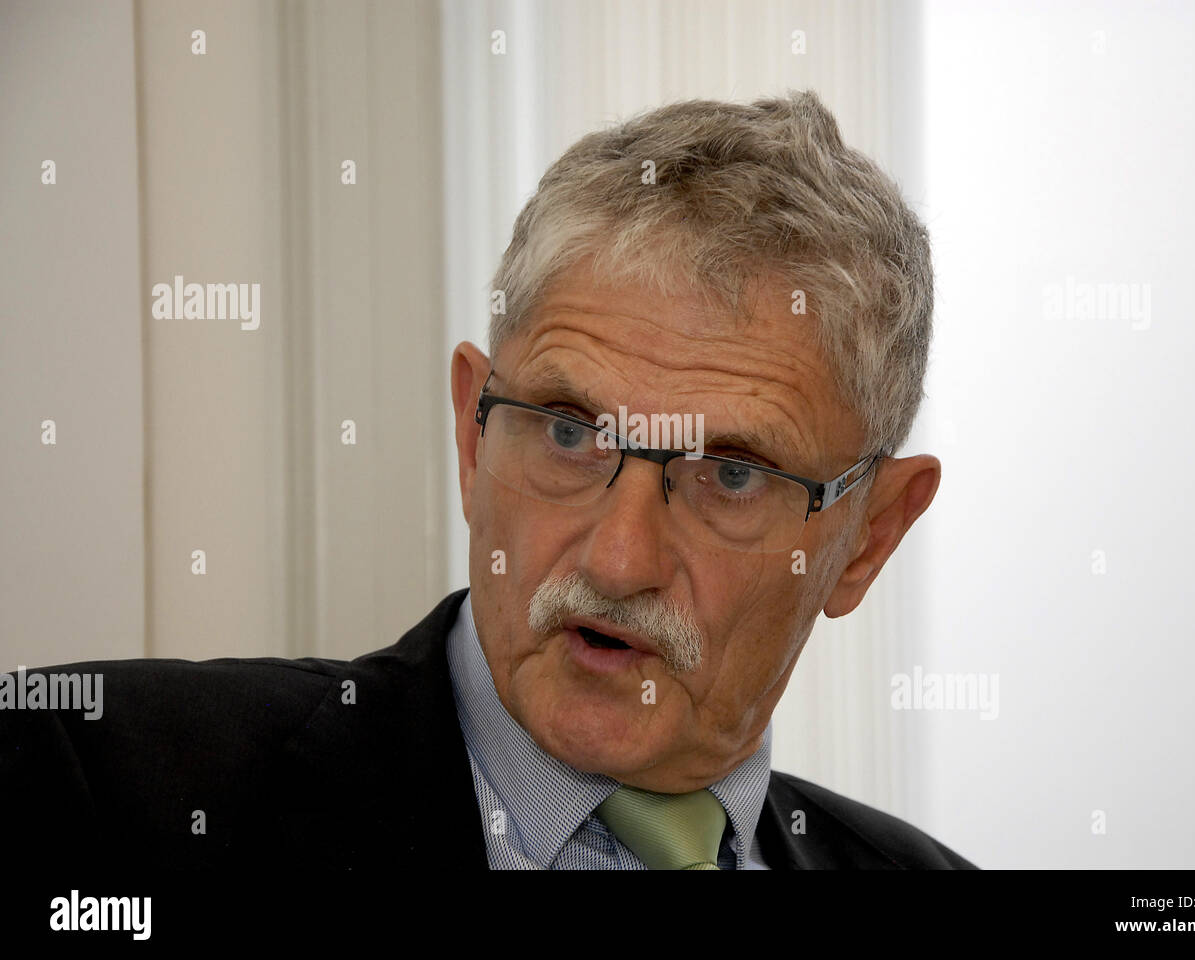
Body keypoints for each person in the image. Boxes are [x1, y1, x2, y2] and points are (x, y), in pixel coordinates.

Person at [2, 89, 973, 870]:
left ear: (869, 537)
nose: (619, 556)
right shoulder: (84, 783)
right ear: (472, 435)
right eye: (566, 431)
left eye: (727, 474)